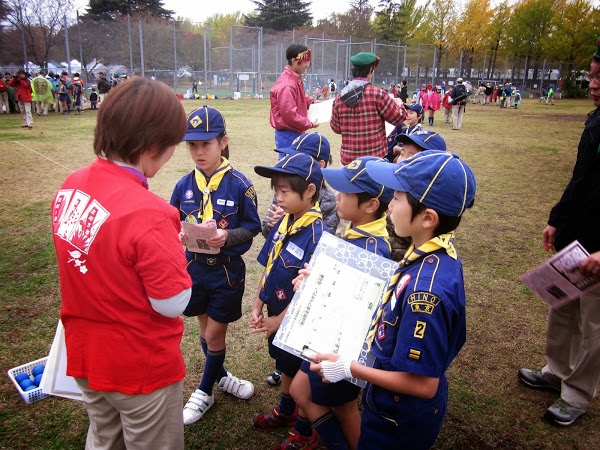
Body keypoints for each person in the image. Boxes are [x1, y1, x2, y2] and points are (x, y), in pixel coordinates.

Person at [51, 76, 192, 450]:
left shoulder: (70, 185)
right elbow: (172, 302)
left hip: (85, 355)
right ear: (151, 147)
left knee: (103, 435)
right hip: (139, 365)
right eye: (172, 146)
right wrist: (175, 255)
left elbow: (97, 260)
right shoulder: (150, 212)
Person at [310, 150, 476, 449]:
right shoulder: (435, 253)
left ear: (428, 218)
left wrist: (349, 368)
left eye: (398, 198)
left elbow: (424, 384)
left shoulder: (426, 293)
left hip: (399, 419)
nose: (389, 207)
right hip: (391, 406)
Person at [517, 37, 600, 427]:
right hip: (575, 239)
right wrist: (557, 219)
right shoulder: (596, 118)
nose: (595, 83)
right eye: (594, 75)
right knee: (562, 307)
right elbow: (581, 179)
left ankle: (578, 393)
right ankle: (556, 370)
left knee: (594, 324)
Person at [288, 156, 393, 450]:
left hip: (343, 347)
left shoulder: (372, 250)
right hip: (327, 337)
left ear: (371, 205)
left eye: (346, 192)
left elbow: (361, 306)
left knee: (345, 408)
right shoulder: (356, 233)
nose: (337, 196)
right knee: (300, 390)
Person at [170, 105, 261, 426]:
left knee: (215, 335)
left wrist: (227, 235)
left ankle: (205, 390)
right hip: (193, 269)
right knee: (204, 330)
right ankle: (221, 376)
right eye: (192, 145)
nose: (198, 152)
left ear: (223, 142)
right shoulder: (183, 186)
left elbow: (252, 227)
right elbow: (172, 221)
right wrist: (179, 233)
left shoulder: (239, 184)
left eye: (205, 144)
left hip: (225, 273)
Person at [250, 153, 329, 444]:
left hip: (301, 324)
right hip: (276, 315)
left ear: (309, 191)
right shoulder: (284, 223)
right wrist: (259, 304)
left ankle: (306, 432)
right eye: (276, 191)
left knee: (301, 380)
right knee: (284, 366)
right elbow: (269, 266)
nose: (278, 198)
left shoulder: (319, 236)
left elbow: (310, 293)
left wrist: (278, 321)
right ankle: (286, 412)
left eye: (285, 191)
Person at [331, 52, 406, 165]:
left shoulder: (339, 97)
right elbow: (398, 118)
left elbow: (336, 127)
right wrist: (400, 104)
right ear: (371, 70)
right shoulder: (378, 94)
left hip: (348, 161)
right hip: (374, 160)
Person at [262, 132, 339, 239]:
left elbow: (324, 242)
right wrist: (276, 225)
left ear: (321, 165)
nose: (290, 161)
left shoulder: (328, 200)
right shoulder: (285, 189)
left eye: (299, 158)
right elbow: (266, 229)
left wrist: (289, 224)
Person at [270, 44, 318, 151]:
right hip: (288, 134)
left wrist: (312, 103)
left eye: (308, 61)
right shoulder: (287, 84)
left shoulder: (295, 79)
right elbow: (289, 115)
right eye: (304, 61)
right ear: (293, 61)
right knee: (289, 164)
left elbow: (299, 99)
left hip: (295, 131)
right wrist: (309, 124)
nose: (307, 65)